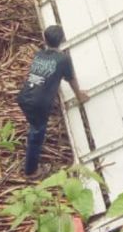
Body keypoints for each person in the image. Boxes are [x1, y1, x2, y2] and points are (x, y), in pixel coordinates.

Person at [16, 24, 89, 176]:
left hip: (24, 97)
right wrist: (79, 96)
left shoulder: (39, 55)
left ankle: (30, 138)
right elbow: (71, 79)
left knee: (34, 124)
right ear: (62, 39)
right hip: (38, 104)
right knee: (37, 135)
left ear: (44, 39)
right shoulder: (63, 59)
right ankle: (31, 171)